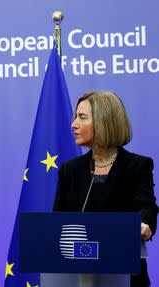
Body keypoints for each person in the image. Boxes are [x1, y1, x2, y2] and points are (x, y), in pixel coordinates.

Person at [53, 90, 159, 286]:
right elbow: (60, 226)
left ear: (104, 121)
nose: (73, 124)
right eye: (75, 117)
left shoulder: (137, 166)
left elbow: (147, 208)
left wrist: (143, 224)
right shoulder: (70, 170)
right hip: (79, 278)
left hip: (126, 276)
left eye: (82, 117)